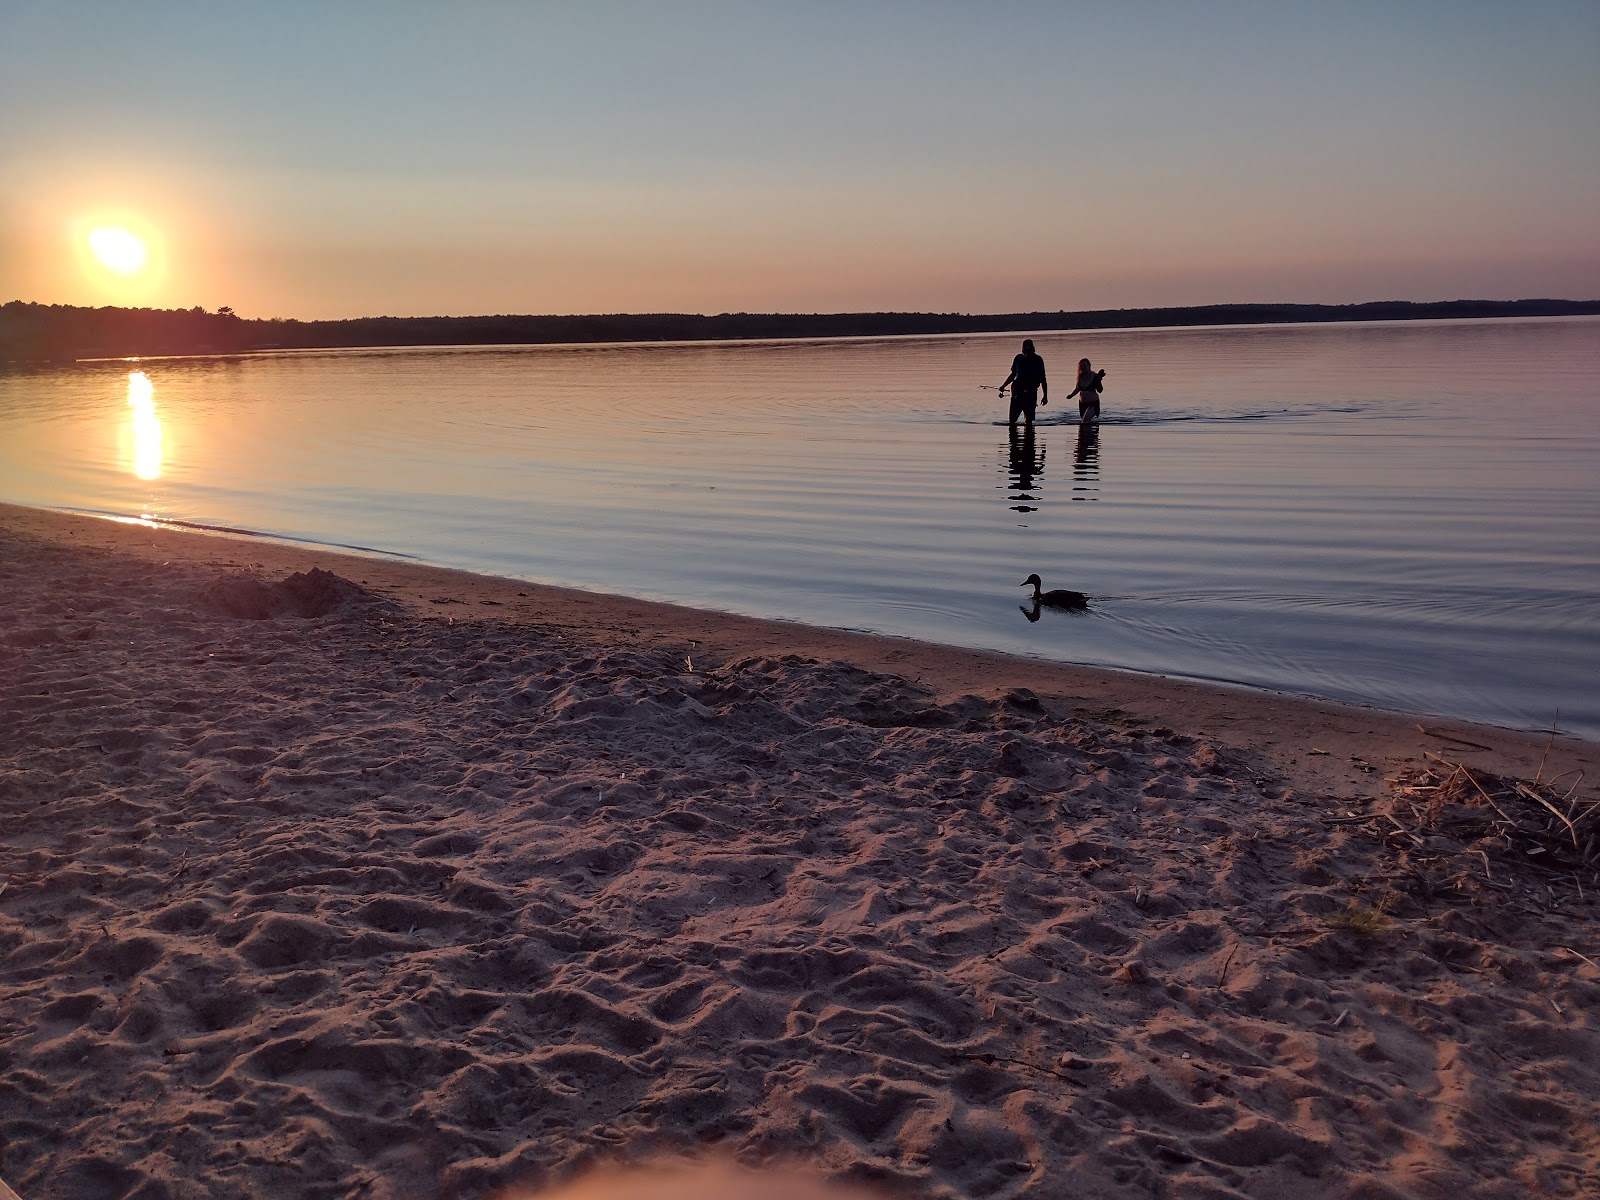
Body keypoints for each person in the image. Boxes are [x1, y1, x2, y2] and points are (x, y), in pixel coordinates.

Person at [998, 339, 1047, 427]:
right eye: (1026, 349)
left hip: (1031, 393)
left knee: (1029, 421)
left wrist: (1045, 396)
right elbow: (1013, 375)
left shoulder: (1038, 360)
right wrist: (1003, 385)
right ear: (1023, 349)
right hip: (1017, 393)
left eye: (1029, 349)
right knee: (1012, 421)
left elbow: (1043, 379)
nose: (1028, 352)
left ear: (1033, 348)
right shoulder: (1018, 358)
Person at [1066, 358, 1106, 424]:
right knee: (1084, 424)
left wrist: (1099, 379)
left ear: (1089, 365)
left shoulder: (1095, 376)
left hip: (1093, 403)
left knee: (1085, 422)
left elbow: (1100, 390)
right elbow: (1077, 389)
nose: (1083, 367)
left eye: (1085, 365)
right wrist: (1071, 395)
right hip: (1082, 404)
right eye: (1081, 366)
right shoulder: (1080, 377)